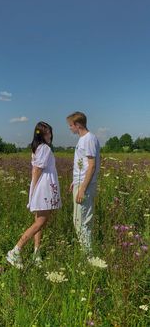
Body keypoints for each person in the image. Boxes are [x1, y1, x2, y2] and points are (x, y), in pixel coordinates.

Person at [6, 121, 62, 269]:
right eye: (47, 133)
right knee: (40, 222)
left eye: (50, 132)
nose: (50, 135)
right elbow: (36, 170)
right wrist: (34, 190)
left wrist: (33, 190)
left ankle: (36, 253)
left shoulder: (39, 148)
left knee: (39, 222)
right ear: (41, 135)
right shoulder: (44, 148)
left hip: (42, 186)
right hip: (44, 187)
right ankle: (16, 250)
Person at [67, 111, 102, 260]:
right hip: (80, 183)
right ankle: (86, 253)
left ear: (78, 125)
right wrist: (75, 182)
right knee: (78, 220)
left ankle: (88, 257)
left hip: (85, 186)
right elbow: (83, 164)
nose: (70, 128)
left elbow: (92, 166)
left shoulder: (88, 139)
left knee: (83, 221)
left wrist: (82, 188)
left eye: (71, 125)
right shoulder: (82, 139)